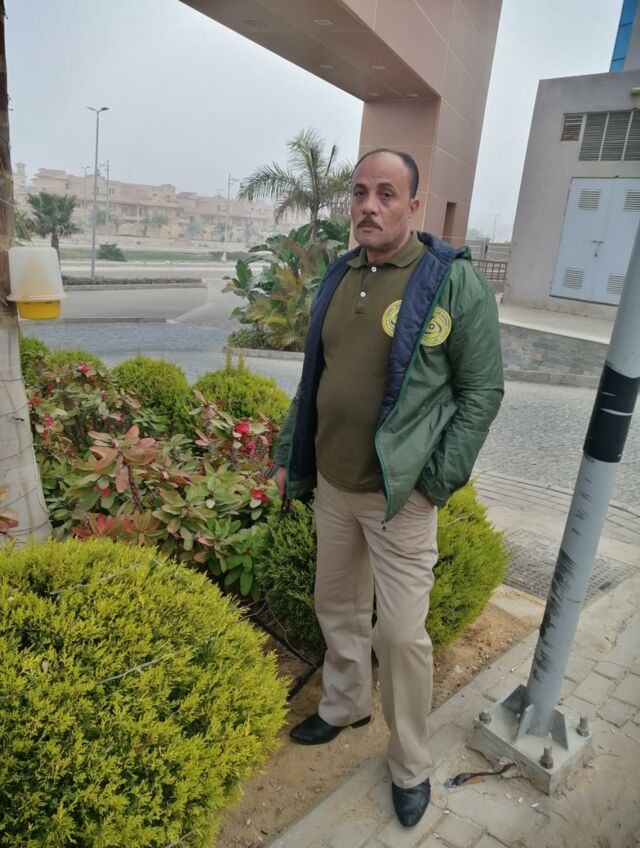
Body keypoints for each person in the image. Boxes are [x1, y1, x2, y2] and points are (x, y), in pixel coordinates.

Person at [272, 149, 504, 828]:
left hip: (401, 496)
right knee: (337, 606)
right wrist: (289, 454)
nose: (368, 206)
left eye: (386, 193)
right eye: (359, 193)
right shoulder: (341, 275)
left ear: (413, 205)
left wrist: (435, 482)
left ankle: (409, 763)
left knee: (400, 636)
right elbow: (313, 379)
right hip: (334, 484)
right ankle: (345, 705)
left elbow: (482, 391)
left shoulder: (450, 282)